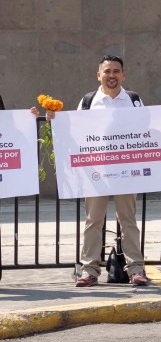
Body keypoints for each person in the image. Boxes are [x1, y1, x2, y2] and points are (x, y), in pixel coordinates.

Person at [45, 55, 151, 287]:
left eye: (116, 71)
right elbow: (73, 130)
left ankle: (136, 269)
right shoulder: (88, 101)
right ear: (99, 75)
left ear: (123, 75)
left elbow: (148, 128)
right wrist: (54, 120)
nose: (111, 75)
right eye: (107, 71)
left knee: (128, 220)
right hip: (96, 171)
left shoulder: (133, 100)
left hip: (126, 169)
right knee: (93, 220)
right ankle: (89, 270)